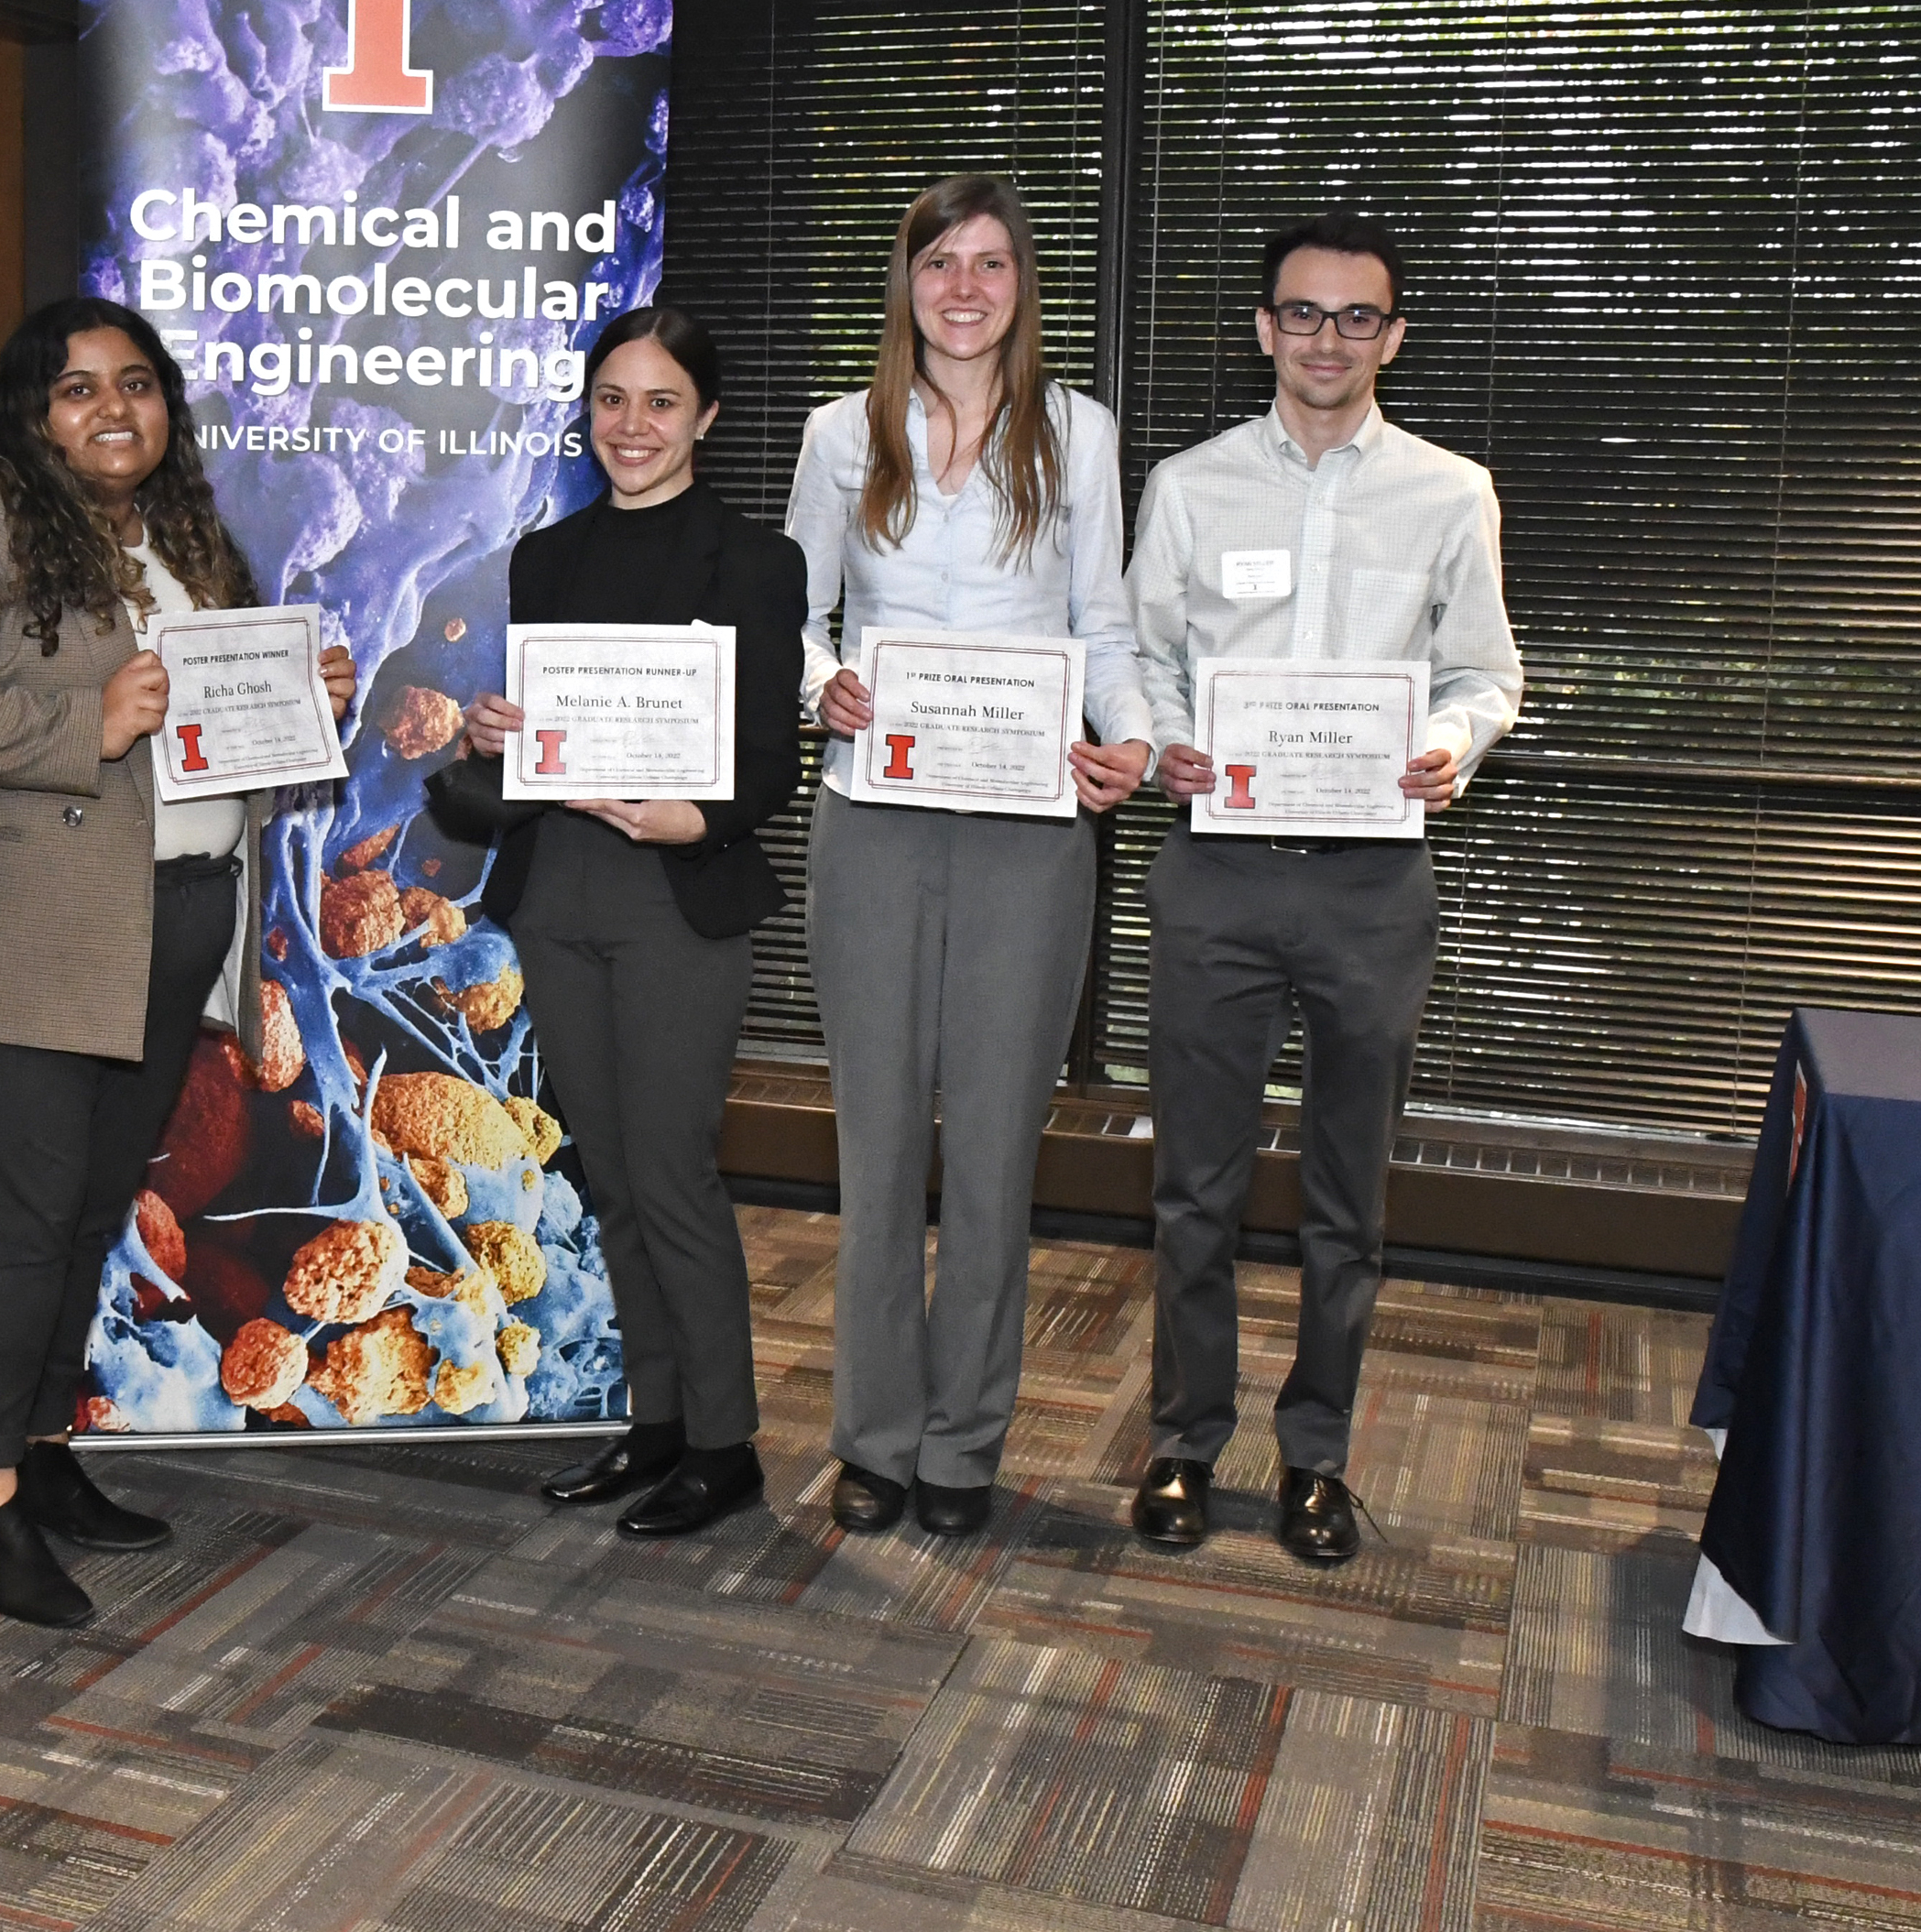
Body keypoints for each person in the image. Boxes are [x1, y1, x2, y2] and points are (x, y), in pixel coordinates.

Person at [0, 299, 354, 1626]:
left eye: (134, 385)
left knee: (91, 1214)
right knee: (24, 1223)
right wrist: (91, 717)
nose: (112, 410)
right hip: (21, 930)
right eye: (76, 388)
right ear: (32, 410)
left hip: (174, 916)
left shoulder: (182, 533)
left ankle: (41, 1452)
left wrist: (311, 692)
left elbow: (230, 707)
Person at [1123, 208, 1523, 1564]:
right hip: (1217, 874)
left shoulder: (1446, 490)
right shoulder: (1187, 484)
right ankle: (1183, 1441)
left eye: (1356, 316)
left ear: (1391, 337)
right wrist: (1161, 731)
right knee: (1195, 1185)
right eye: (1302, 312)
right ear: (1262, 328)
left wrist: (1446, 745)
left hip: (1369, 887)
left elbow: (1484, 674)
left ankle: (1315, 1456)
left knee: (1349, 1192)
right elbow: (1141, 654)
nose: (1326, 338)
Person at [784, 177, 1152, 1541]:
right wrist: (816, 682)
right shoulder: (840, 432)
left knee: (995, 1148)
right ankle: (874, 1433)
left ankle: (963, 1441)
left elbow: (1103, 627)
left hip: (1028, 826)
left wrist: (1133, 742)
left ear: (1020, 285)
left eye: (989, 262)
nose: (962, 286)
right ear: (907, 281)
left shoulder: (1077, 433)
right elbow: (791, 609)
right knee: (878, 1147)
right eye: (939, 261)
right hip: (870, 817)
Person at [460, 304, 807, 1539]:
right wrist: (495, 731)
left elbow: (771, 756)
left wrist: (694, 820)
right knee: (605, 1173)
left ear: (705, 417)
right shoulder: (544, 558)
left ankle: (726, 1440)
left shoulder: (758, 564)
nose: (631, 425)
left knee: (670, 1174)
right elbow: (537, 733)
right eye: (611, 399)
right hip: (557, 888)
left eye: (660, 401)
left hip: (674, 899)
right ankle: (653, 1419)